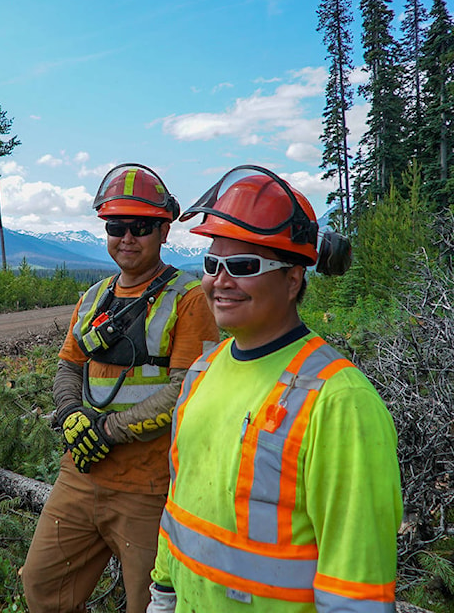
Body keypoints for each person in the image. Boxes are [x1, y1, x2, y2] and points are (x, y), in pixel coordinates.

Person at [147, 165, 402, 612]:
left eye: (243, 266)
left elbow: (355, 586)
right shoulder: (203, 373)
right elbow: (181, 504)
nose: (220, 282)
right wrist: (163, 595)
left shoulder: (339, 400)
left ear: (293, 279)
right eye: (212, 264)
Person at [20, 163, 219, 612]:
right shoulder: (92, 299)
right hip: (81, 474)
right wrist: (72, 415)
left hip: (149, 486)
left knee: (149, 604)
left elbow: (187, 389)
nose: (127, 237)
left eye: (141, 226)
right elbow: (68, 367)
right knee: (42, 585)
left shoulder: (189, 300)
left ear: (164, 230)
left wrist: (107, 431)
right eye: (117, 226)